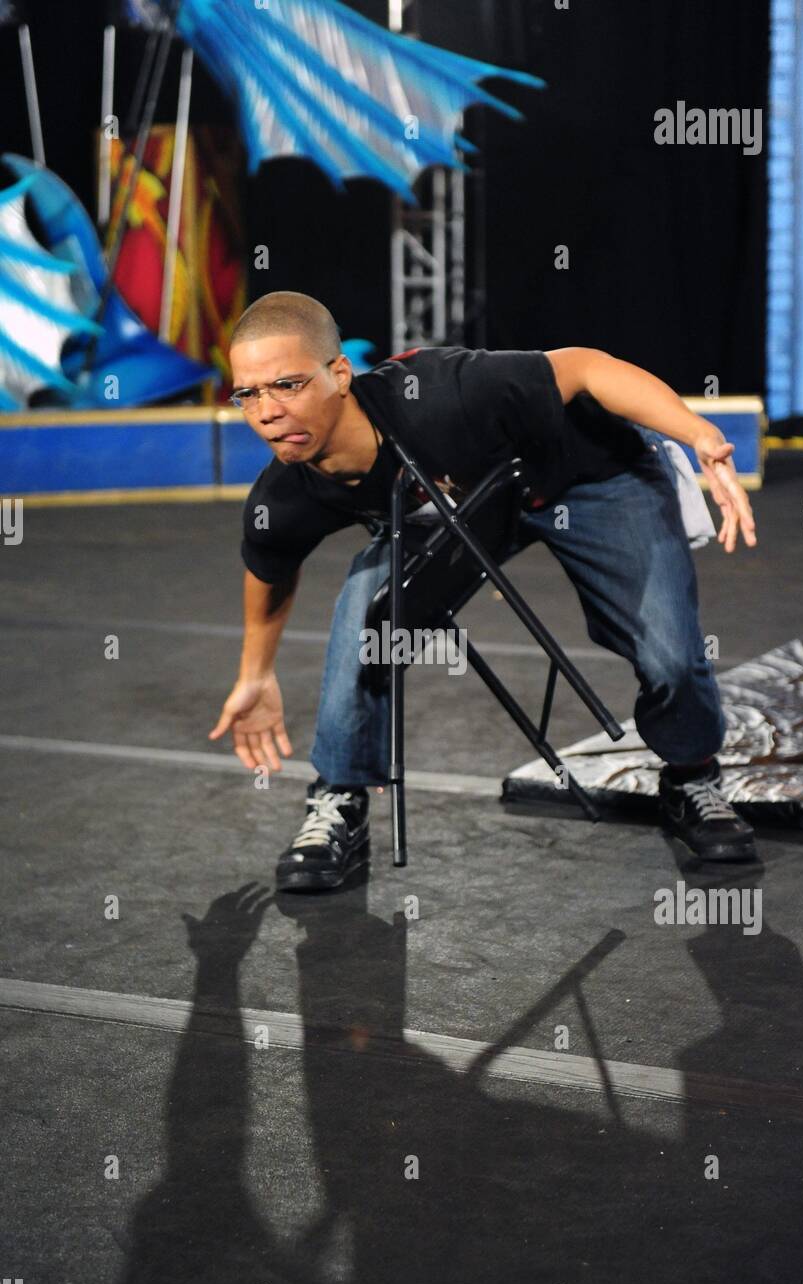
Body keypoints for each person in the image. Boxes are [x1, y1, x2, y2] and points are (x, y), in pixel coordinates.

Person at [209, 291, 759, 891]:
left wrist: (700, 433)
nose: (266, 411)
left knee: (671, 654)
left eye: (286, 385)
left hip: (586, 477)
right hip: (464, 509)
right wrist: (254, 675)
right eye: (248, 394)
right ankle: (340, 795)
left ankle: (690, 776)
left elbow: (585, 366)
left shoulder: (444, 392)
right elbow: (269, 567)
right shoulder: (287, 492)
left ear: (339, 374)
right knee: (369, 615)